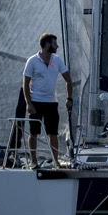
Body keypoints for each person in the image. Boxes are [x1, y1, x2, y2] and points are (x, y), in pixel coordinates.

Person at [21, 33, 71, 167]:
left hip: (51, 102)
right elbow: (25, 83)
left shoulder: (57, 60)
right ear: (48, 44)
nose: (57, 46)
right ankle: (33, 161)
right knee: (34, 132)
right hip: (35, 102)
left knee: (53, 133)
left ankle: (55, 161)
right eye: (55, 43)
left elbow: (68, 80)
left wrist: (69, 98)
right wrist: (28, 103)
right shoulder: (32, 61)